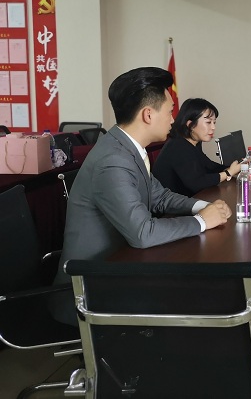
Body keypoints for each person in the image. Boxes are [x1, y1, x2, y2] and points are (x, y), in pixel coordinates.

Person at [51, 67, 232, 325]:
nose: (173, 120)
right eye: (169, 112)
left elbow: (160, 196)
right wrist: (202, 221)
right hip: (90, 289)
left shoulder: (127, 148)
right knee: (196, 296)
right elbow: (142, 233)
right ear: (148, 114)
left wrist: (204, 206)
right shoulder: (113, 159)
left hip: (118, 269)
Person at [153, 97, 241, 197]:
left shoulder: (194, 142)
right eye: (208, 122)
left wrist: (239, 167)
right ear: (190, 124)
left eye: (214, 122)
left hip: (189, 199)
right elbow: (196, 184)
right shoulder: (178, 146)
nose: (213, 127)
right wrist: (228, 173)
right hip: (171, 205)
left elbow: (209, 166)